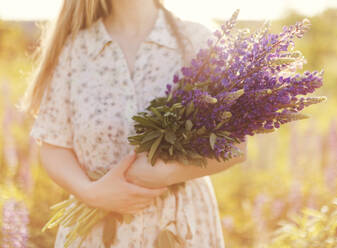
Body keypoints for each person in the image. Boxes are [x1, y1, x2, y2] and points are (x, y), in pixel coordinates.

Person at [20, 0, 247, 247]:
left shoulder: (198, 41)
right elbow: (54, 145)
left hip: (180, 229)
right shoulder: (75, 49)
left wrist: (166, 173)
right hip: (95, 232)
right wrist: (91, 193)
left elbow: (236, 147)